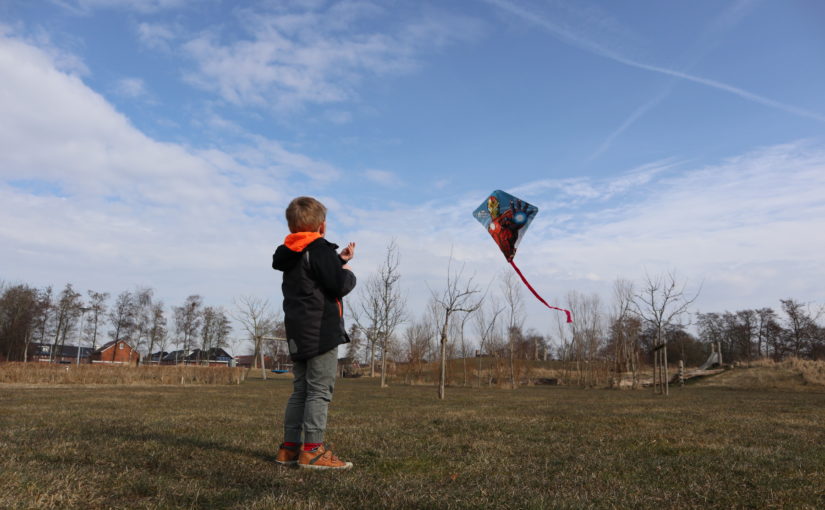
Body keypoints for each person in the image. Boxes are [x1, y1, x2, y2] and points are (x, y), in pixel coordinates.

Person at [271, 196, 356, 470]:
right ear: (322, 226)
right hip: (320, 332)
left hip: (298, 332)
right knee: (319, 391)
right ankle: (313, 451)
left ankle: (289, 449)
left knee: (300, 390)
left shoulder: (292, 252)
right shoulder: (318, 249)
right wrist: (347, 271)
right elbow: (336, 284)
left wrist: (336, 259)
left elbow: (316, 274)